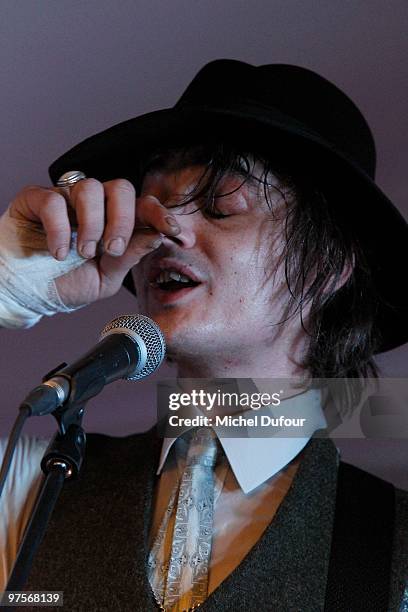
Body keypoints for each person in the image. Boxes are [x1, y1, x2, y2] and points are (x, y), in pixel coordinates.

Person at [0, 59, 407, 611]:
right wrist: (6, 285)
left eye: (221, 207)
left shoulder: (393, 547)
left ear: (331, 264)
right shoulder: (32, 487)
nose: (169, 233)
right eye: (153, 209)